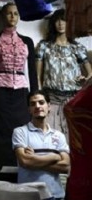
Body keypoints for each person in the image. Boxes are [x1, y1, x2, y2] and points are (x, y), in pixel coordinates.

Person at [0, 2, 38, 181]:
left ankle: (21, 170)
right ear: (3, 16)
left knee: (21, 129)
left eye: (16, 14)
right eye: (9, 13)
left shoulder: (27, 42)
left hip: (21, 92)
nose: (12, 17)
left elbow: (32, 70)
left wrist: (35, 95)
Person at [36, 8, 92, 141]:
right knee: (50, 138)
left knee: (73, 138)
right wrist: (39, 94)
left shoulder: (77, 47)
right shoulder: (44, 46)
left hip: (73, 98)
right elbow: (37, 75)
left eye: (64, 20)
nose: (61, 24)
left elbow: (90, 73)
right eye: (58, 20)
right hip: (52, 98)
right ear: (53, 24)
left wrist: (85, 79)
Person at [12, 90, 70, 200]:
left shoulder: (59, 136)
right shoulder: (20, 132)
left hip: (55, 195)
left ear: (49, 106)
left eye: (41, 102)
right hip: (28, 196)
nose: (37, 106)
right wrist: (54, 156)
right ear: (29, 109)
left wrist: (35, 159)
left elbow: (65, 166)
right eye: (33, 104)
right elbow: (25, 161)